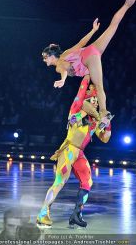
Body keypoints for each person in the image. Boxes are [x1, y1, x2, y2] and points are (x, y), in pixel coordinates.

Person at [42, 0, 136, 126]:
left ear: (52, 56)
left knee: (99, 86)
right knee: (113, 26)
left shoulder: (59, 64)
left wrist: (62, 80)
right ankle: (128, 3)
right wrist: (93, 31)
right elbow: (81, 43)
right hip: (92, 49)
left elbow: (63, 70)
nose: (44, 60)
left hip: (88, 57)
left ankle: (105, 113)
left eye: (45, 58)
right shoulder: (66, 53)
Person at [36, 75, 112, 228]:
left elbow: (105, 139)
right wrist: (89, 73)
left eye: (97, 101)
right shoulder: (77, 107)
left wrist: (107, 124)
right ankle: (43, 213)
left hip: (80, 154)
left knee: (87, 181)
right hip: (68, 150)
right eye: (94, 99)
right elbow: (85, 102)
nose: (96, 103)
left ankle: (76, 214)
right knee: (60, 181)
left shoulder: (94, 120)